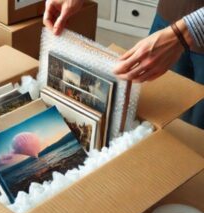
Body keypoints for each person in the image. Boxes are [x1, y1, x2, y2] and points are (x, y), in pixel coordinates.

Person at [43, 0, 204, 129]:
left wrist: (183, 33)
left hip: (182, 32)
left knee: (197, 134)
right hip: (168, 20)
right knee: (161, 124)